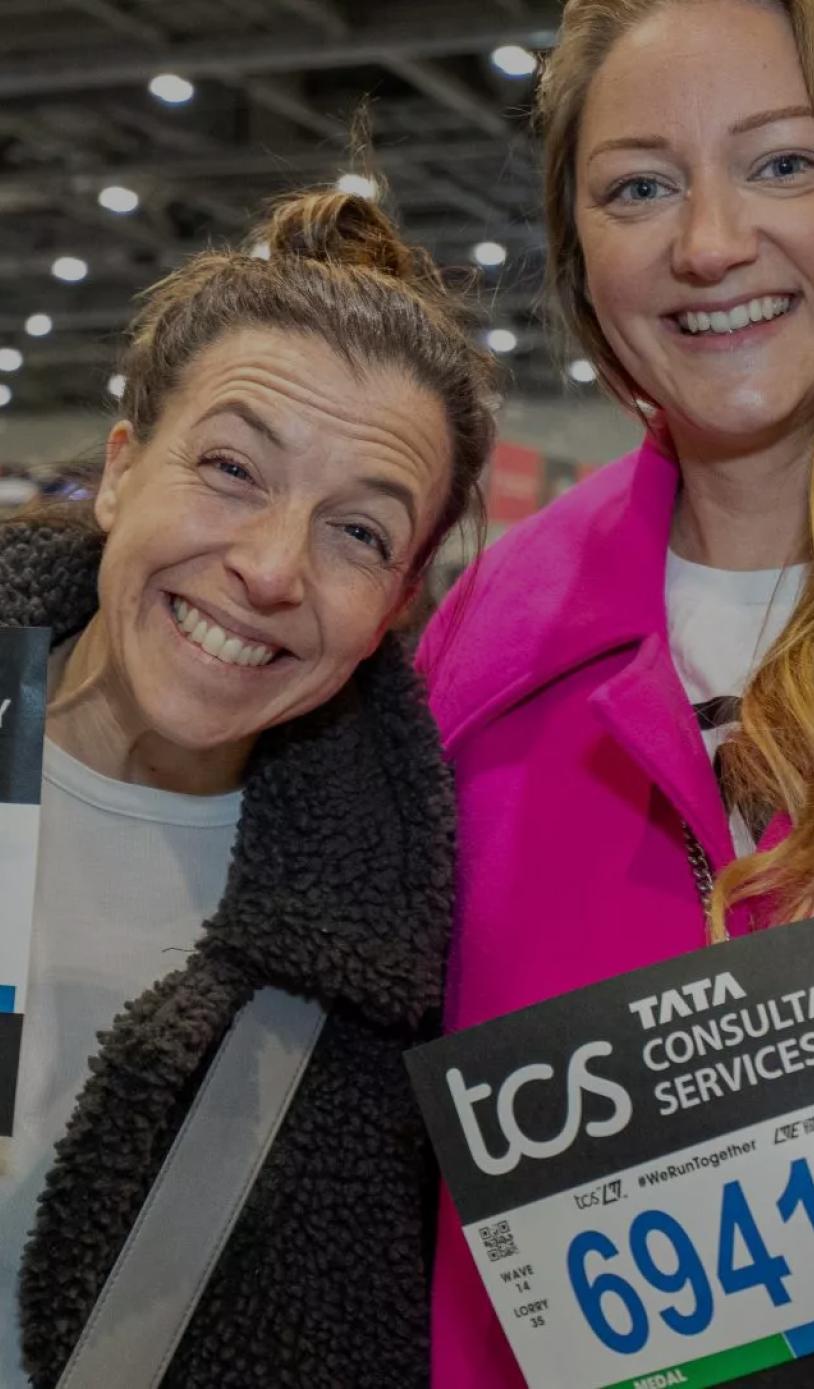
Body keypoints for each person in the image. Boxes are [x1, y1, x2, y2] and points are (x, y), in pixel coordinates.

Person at [0, 188, 497, 1387]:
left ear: (396, 608)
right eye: (231, 468)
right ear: (121, 471)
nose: (271, 569)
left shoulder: (396, 967)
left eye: (359, 535)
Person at [418, 1, 814, 1384]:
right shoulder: (479, 650)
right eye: (637, 186)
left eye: (783, 162)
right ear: (580, 254)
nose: (708, 242)